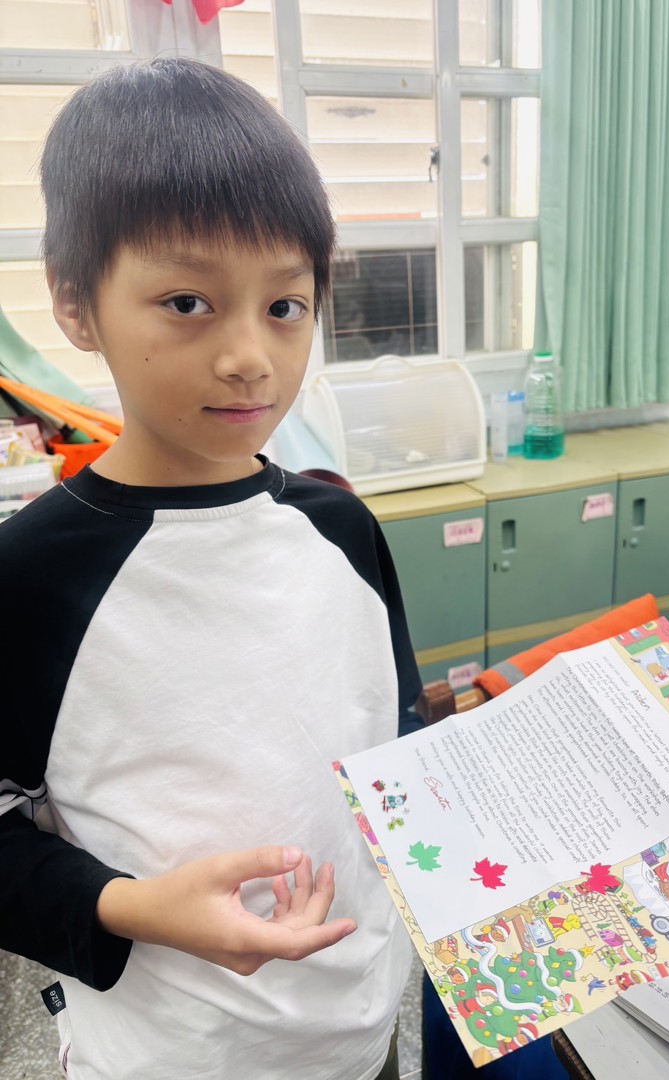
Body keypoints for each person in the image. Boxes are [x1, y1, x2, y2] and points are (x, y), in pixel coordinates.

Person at [0, 57, 423, 1080]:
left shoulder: (342, 527)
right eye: (188, 301)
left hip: (359, 1028)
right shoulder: (33, 573)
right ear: (75, 304)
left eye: (285, 305)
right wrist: (130, 905)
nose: (250, 357)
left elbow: (396, 743)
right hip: (171, 1055)